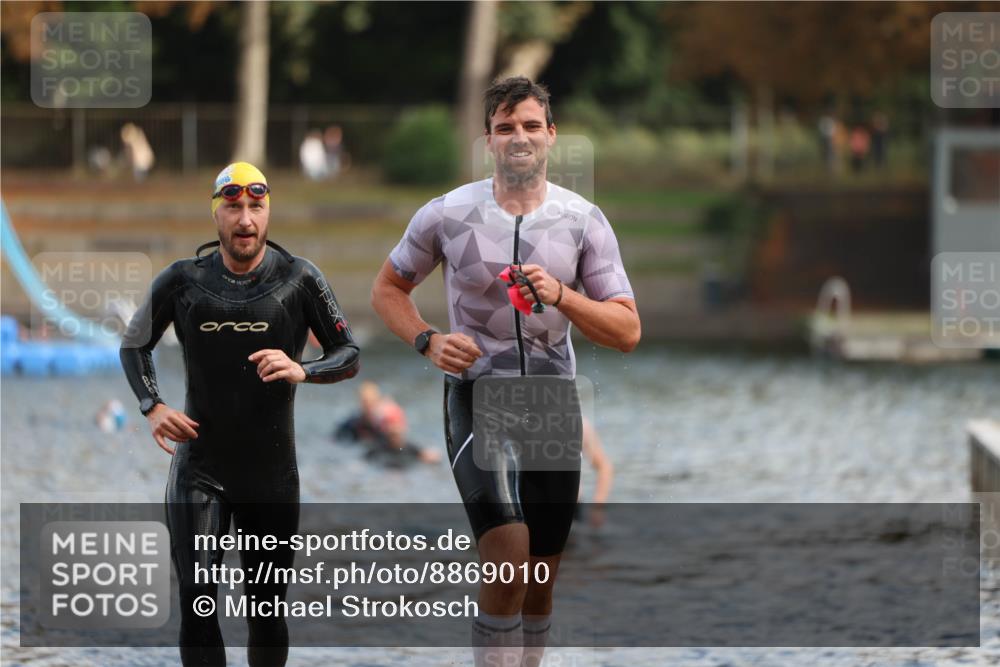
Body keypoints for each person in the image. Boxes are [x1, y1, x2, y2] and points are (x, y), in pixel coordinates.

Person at [370, 76, 640, 667]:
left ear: (551, 135)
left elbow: (626, 331)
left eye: (529, 126)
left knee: (540, 579)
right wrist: (427, 339)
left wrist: (564, 297)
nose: (518, 137)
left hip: (551, 405)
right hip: (477, 396)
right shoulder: (447, 214)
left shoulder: (583, 220)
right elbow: (388, 289)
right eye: (504, 128)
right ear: (487, 140)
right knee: (509, 548)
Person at [120, 162, 360, 667]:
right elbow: (134, 344)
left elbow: (348, 354)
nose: (245, 219)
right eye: (233, 207)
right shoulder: (182, 281)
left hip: (271, 477)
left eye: (256, 206)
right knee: (198, 608)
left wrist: (304, 370)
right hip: (199, 471)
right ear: (217, 215)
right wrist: (152, 404)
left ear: (268, 211)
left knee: (267, 611)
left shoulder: (300, 277)